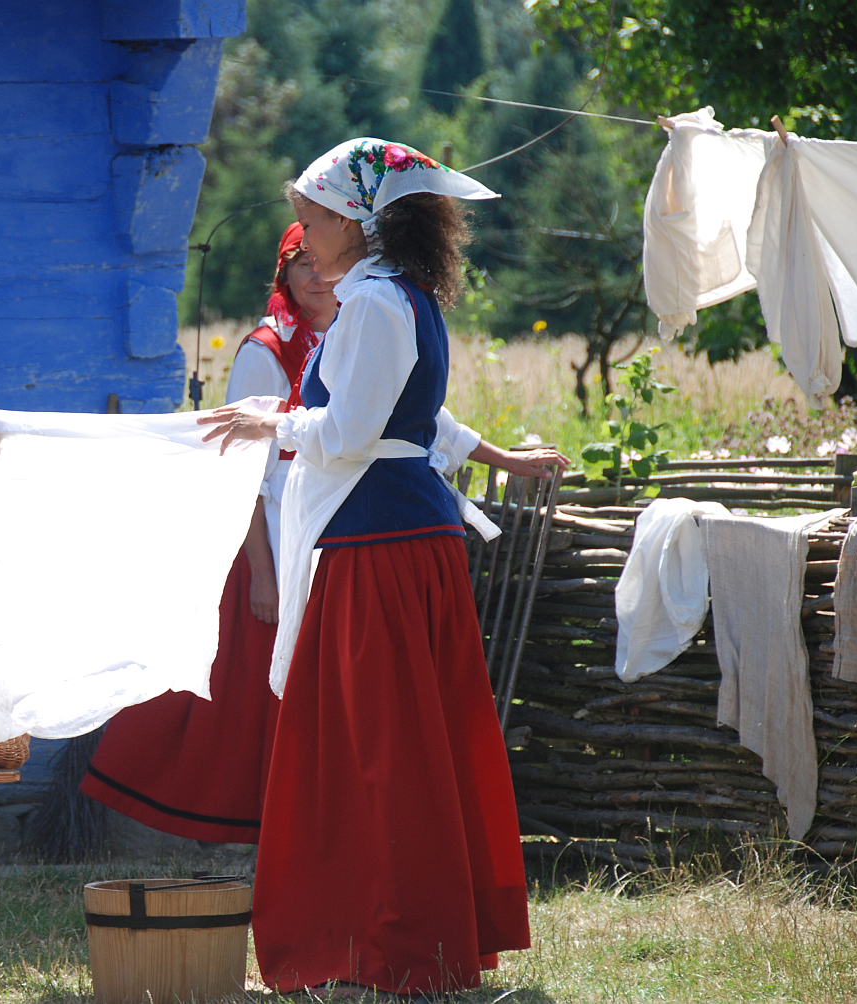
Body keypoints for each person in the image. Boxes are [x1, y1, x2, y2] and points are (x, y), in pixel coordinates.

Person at [200, 139, 564, 996]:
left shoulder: (372, 306)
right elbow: (405, 413)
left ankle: (392, 944)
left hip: (378, 548)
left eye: (318, 214)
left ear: (363, 221)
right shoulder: (394, 297)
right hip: (395, 540)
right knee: (390, 745)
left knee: (377, 750)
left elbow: (349, 433)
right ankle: (394, 936)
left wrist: (272, 424)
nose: (304, 227)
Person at [79, 223, 331, 843]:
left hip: (326, 536)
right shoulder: (265, 350)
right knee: (250, 699)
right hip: (269, 543)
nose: (315, 274)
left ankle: (310, 825)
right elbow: (241, 470)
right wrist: (263, 574)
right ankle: (262, 827)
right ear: (284, 277)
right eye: (300, 264)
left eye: (323, 260)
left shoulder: (354, 337)